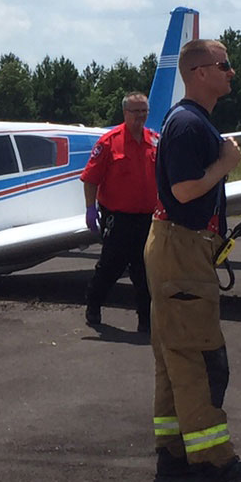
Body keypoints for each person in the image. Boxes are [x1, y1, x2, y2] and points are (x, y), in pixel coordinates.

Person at [143, 40, 241, 482]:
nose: (231, 73)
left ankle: (174, 451)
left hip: (180, 247)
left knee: (175, 356)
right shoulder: (189, 125)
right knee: (198, 356)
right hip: (181, 248)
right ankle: (213, 459)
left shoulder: (191, 122)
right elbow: (183, 191)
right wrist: (226, 164)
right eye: (224, 66)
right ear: (198, 73)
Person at [80, 92, 158, 331]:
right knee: (109, 268)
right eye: (136, 112)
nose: (141, 116)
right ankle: (93, 306)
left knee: (145, 272)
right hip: (119, 219)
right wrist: (90, 209)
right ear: (125, 113)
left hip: (147, 218)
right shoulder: (108, 142)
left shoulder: (155, 140)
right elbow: (90, 179)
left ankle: (146, 321)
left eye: (144, 111)